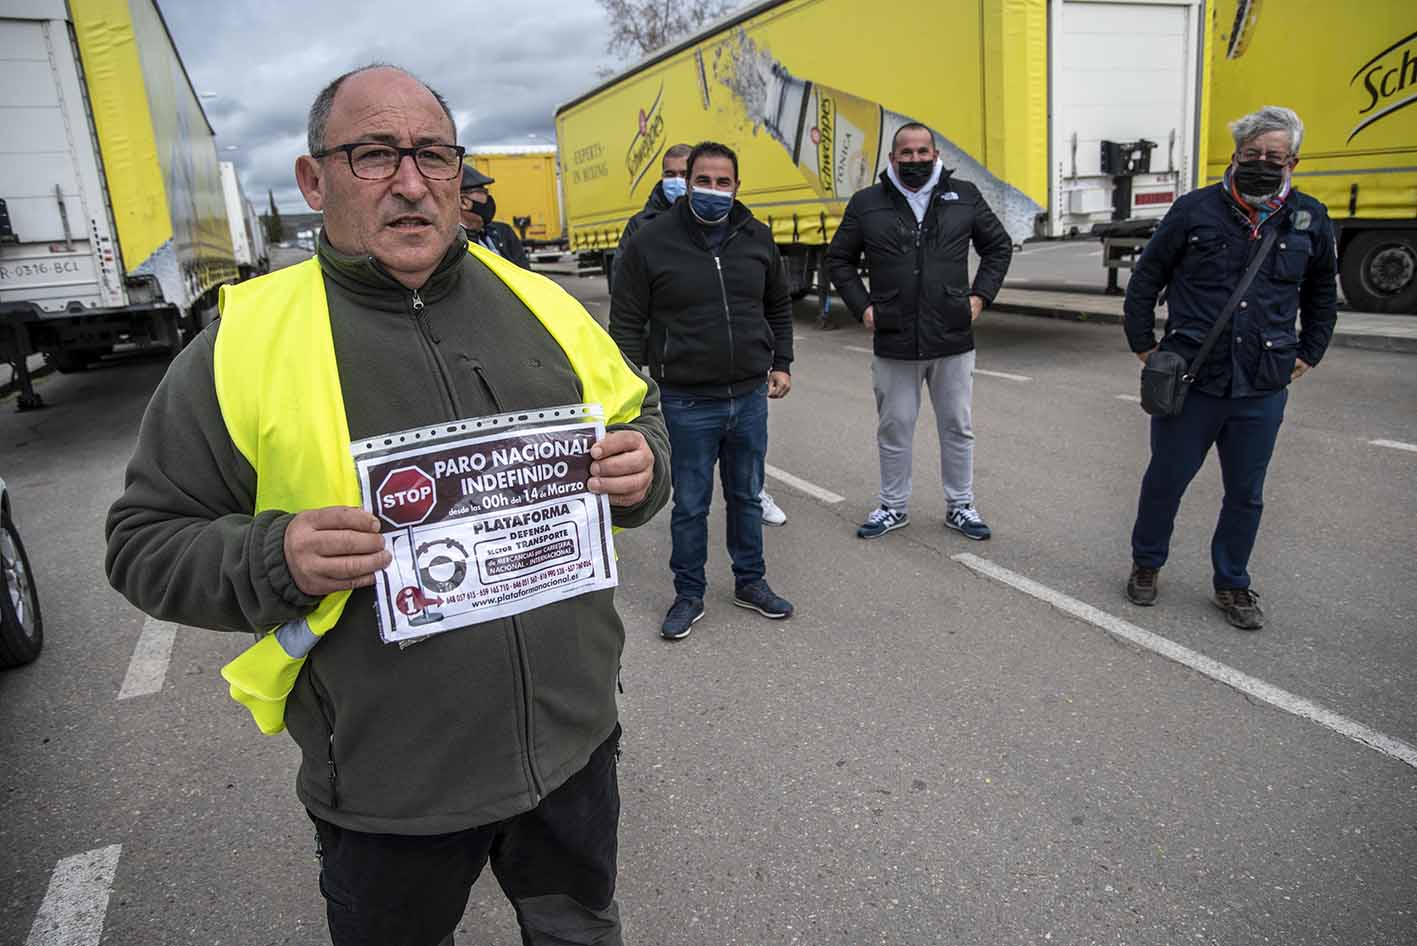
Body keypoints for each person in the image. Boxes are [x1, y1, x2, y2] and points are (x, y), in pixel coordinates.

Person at [105, 64, 670, 946]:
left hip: (573, 745)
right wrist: (273, 555)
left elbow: (641, 420)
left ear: (457, 175)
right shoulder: (243, 342)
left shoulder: (544, 302)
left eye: (433, 156)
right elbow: (142, 542)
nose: (411, 183)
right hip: (390, 786)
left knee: (578, 931)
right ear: (313, 178)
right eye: (374, 155)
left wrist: (646, 470)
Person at [1123, 105, 1336, 630]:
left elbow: (1323, 293)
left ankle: (1232, 583)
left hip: (1262, 385)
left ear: (1294, 162)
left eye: (1275, 156)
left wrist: (1310, 351)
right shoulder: (1195, 210)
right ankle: (1147, 564)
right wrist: (1144, 344)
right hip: (1192, 378)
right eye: (1253, 154)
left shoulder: (1308, 217)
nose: (1263, 163)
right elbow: (1147, 277)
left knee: (1246, 493)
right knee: (1165, 481)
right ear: (1237, 156)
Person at [608, 140, 794, 641]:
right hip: (686, 401)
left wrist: (782, 362)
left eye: (723, 182)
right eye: (703, 181)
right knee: (690, 503)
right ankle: (688, 593)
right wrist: (631, 388)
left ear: (737, 186)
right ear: (687, 182)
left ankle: (750, 582)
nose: (714, 190)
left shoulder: (756, 236)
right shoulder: (652, 242)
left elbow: (777, 304)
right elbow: (626, 321)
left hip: (749, 396)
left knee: (746, 496)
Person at [827, 123, 1012, 542]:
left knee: (957, 426)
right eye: (905, 153)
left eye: (922, 152)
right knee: (894, 428)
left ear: (935, 154)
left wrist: (980, 297)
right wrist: (864, 308)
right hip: (893, 339)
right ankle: (893, 506)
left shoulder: (963, 195)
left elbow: (998, 247)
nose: (914, 160)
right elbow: (838, 259)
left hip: (952, 337)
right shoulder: (867, 203)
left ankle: (960, 505)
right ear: (892, 159)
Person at [460, 164, 530, 269]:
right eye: (483, 192)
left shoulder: (503, 232)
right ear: (463, 202)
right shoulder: (454, 244)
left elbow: (525, 274)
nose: (489, 198)